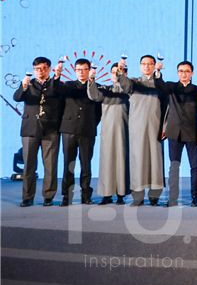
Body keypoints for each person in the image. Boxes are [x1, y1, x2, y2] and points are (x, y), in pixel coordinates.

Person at [13, 57, 64, 207]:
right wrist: (23, 86)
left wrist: (57, 77)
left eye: (43, 68)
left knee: (50, 165)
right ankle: (27, 197)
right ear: (33, 70)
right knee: (29, 165)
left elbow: (58, 92)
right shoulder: (28, 84)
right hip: (30, 129)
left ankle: (48, 196)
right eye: (37, 69)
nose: (40, 71)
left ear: (49, 69)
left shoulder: (56, 84)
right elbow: (17, 98)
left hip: (51, 129)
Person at [155, 60, 197, 207]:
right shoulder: (171, 87)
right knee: (174, 166)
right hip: (174, 133)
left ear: (192, 73)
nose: (184, 74)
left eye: (187, 71)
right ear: (177, 73)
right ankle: (172, 198)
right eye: (181, 71)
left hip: (192, 133)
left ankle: (195, 197)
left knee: (194, 166)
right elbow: (159, 84)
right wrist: (158, 72)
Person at [116, 55, 165, 206]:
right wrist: (120, 71)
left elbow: (163, 92)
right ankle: (138, 196)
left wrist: (158, 73)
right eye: (144, 64)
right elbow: (125, 85)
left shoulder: (159, 83)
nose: (147, 66)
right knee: (137, 160)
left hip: (155, 126)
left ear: (154, 65)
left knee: (155, 160)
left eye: (150, 64)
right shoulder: (134, 82)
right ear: (139, 66)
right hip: (137, 127)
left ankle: (154, 195)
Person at [58, 58, 102, 206]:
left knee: (86, 164)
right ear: (75, 71)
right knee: (68, 164)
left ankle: (86, 195)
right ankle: (66, 195)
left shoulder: (96, 87)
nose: (81, 72)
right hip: (69, 129)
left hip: (87, 130)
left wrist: (91, 124)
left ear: (90, 70)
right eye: (78, 69)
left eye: (84, 69)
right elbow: (59, 104)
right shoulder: (68, 86)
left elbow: (99, 112)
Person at [87, 63, 130, 205]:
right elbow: (94, 96)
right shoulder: (105, 89)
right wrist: (91, 79)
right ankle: (107, 194)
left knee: (122, 161)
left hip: (124, 130)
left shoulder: (129, 90)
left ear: (125, 74)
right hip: (108, 131)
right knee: (107, 162)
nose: (115, 74)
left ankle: (121, 194)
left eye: (119, 72)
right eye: (113, 72)